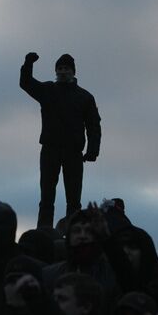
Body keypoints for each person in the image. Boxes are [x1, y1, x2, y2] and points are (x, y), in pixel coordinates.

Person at [20, 52, 101, 228]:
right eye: (60, 68)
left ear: (73, 72)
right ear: (56, 71)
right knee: (46, 196)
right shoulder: (48, 90)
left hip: (74, 153)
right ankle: (44, 230)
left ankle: (73, 230)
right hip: (50, 150)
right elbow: (26, 83)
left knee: (74, 199)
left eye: (66, 68)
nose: (63, 71)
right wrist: (28, 63)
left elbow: (94, 125)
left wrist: (93, 150)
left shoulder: (85, 97)